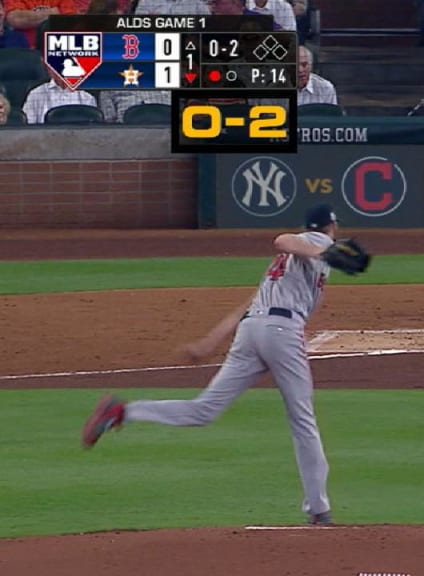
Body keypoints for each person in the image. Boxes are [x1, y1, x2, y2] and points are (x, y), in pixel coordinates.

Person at [81, 203, 347, 526]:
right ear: (331, 226)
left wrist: (211, 340)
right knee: (303, 420)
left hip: (251, 332)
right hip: (281, 333)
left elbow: (248, 304)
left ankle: (122, 411)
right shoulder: (319, 243)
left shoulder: (288, 266)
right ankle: (319, 510)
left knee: (203, 410)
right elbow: (282, 240)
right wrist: (323, 250)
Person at [22, 61, 99, 124]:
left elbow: (93, 128)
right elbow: (27, 127)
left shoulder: (86, 97)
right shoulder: (36, 94)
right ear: (48, 68)